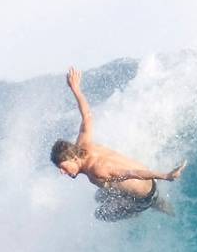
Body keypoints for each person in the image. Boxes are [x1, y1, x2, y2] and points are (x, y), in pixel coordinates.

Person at [51, 67, 185, 221]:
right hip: (141, 184)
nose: (62, 172)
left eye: (63, 167)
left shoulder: (97, 170)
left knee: (101, 214)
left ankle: (142, 209)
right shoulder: (82, 144)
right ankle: (152, 202)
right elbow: (87, 116)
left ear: (73, 158)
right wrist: (76, 89)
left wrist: (165, 175)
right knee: (99, 197)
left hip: (143, 196)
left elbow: (131, 173)